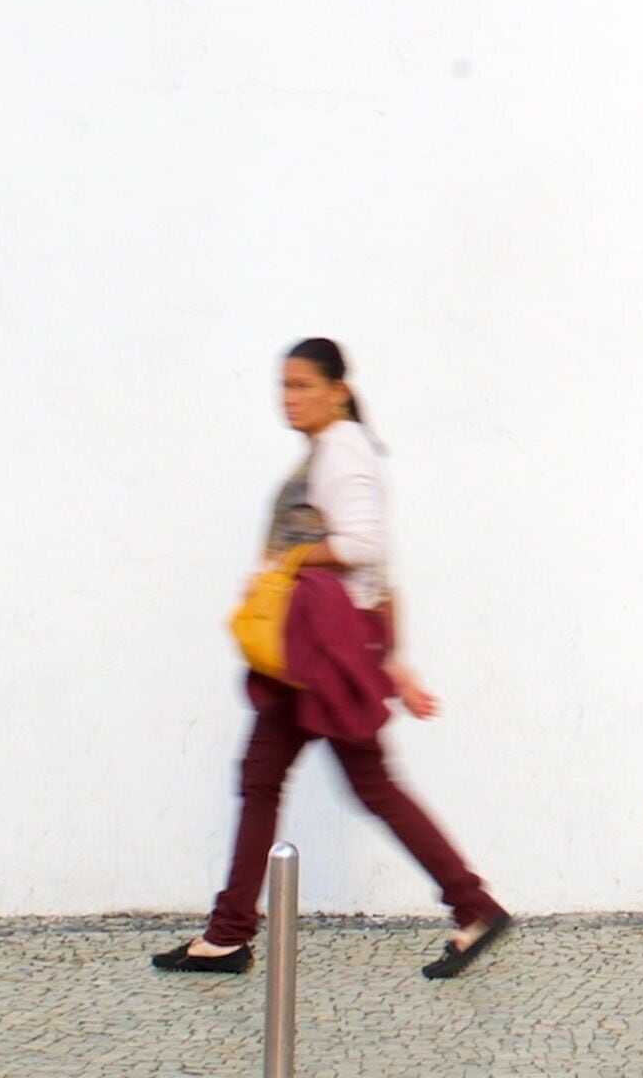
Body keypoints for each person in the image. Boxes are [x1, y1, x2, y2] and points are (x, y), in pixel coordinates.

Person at [157, 336, 511, 980]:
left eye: (302, 386)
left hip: (320, 653)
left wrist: (289, 560)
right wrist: (391, 659)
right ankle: (229, 933)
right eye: (283, 386)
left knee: (341, 781)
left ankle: (473, 906)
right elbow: (379, 575)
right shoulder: (333, 449)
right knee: (272, 777)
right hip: (318, 650)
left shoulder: (343, 451)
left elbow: (363, 547)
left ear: (337, 391)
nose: (289, 398)